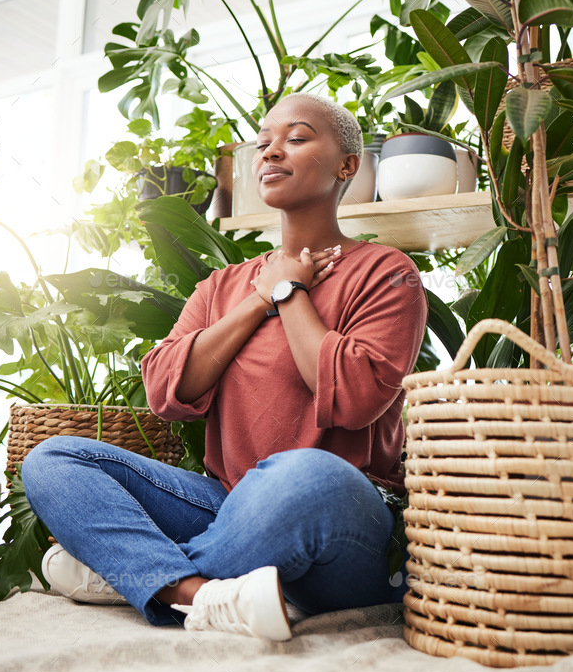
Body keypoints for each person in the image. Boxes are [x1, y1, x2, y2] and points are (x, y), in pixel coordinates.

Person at [22, 94, 427, 641]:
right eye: (263, 142)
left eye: (297, 138)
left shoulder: (385, 273)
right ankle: (197, 595)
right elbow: (165, 390)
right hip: (225, 505)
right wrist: (257, 300)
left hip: (338, 517)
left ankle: (131, 574)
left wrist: (289, 292)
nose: (271, 152)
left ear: (347, 166)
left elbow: (354, 399)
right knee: (55, 457)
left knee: (307, 474)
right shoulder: (223, 287)